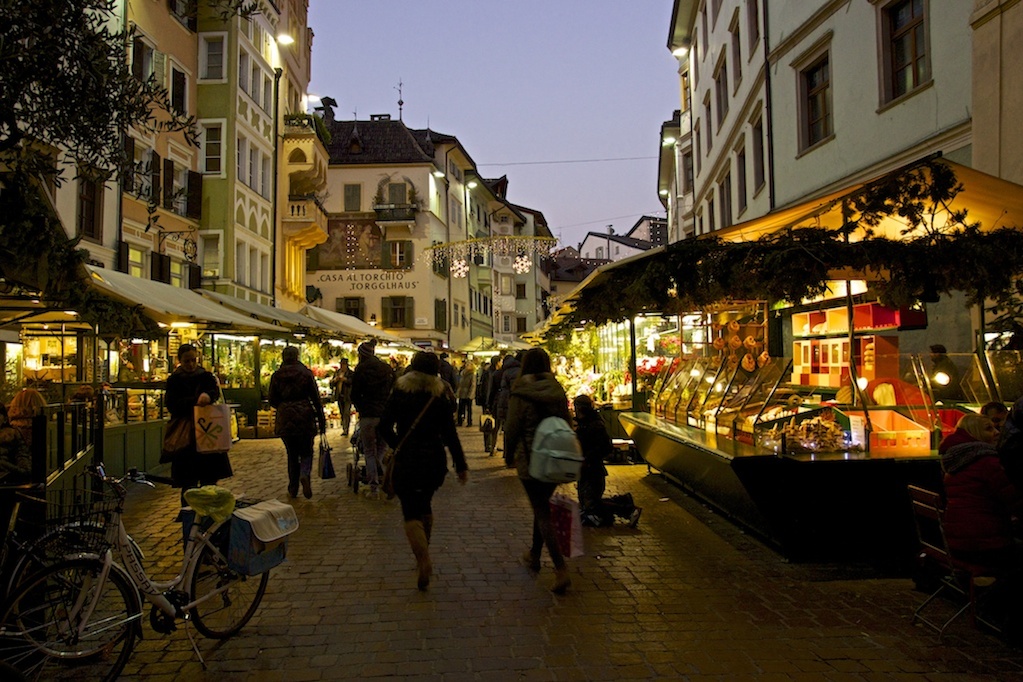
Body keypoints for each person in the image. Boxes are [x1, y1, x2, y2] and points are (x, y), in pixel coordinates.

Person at [378, 351, 468, 590]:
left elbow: (383, 426)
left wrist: (398, 444)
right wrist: (460, 464)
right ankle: (424, 551)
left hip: (408, 459)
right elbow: (450, 433)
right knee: (425, 503)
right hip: (434, 459)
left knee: (410, 512)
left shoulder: (400, 391)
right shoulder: (440, 395)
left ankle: (423, 559)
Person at [504, 347, 572, 594]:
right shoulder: (556, 389)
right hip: (555, 457)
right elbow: (568, 421)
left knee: (542, 511)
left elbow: (512, 428)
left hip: (531, 458)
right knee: (541, 505)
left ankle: (560, 568)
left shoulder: (521, 392)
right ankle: (534, 554)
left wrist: (508, 455)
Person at [942, 413, 1023, 576]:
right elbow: (1015, 502)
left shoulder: (956, 461)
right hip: (984, 545)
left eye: (995, 427)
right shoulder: (987, 462)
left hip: (959, 542)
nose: (997, 432)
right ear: (975, 433)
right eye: (988, 429)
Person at [164, 344, 232, 499]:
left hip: (208, 432)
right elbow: (172, 405)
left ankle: (209, 513)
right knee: (189, 483)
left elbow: (214, 393)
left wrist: (208, 396)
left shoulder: (205, 376)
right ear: (180, 360)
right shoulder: (174, 380)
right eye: (187, 361)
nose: (191, 365)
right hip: (186, 436)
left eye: (193, 360)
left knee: (210, 481)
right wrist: (195, 401)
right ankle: (189, 514)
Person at [573, 394, 642, 528]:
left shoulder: (594, 426)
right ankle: (622, 505)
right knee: (588, 503)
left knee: (591, 503)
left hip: (593, 469)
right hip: (587, 469)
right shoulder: (586, 424)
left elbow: (605, 447)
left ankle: (627, 508)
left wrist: (588, 459)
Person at [269, 346, 326, 499]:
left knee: (292, 454)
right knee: (307, 450)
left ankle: (293, 487)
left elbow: (272, 399)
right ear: (297, 356)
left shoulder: (277, 375)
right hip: (304, 415)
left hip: (285, 416)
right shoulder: (306, 374)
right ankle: (305, 473)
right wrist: (321, 421)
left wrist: (284, 406)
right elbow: (315, 398)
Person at [350, 340, 395, 497]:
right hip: (384, 415)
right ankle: (380, 470)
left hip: (367, 415)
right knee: (382, 447)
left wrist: (360, 408)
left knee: (369, 451)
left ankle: (373, 486)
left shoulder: (360, 370)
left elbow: (354, 394)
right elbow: (393, 390)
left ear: (361, 354)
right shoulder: (386, 369)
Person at [493, 351, 522, 463]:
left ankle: (505, 453)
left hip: (502, 404)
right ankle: (510, 455)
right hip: (511, 405)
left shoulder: (500, 373)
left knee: (505, 429)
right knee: (510, 430)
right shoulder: (517, 373)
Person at [329, 358, 354, 436]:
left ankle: (346, 429)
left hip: (347, 396)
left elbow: (352, 382)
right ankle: (344, 427)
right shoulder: (337, 373)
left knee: (346, 412)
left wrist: (345, 380)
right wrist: (335, 380)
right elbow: (331, 384)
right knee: (342, 412)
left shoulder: (350, 373)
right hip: (339, 396)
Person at [456, 359, 476, 426]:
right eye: (466, 364)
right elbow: (460, 384)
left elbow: (473, 385)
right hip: (462, 393)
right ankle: (459, 421)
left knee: (469, 409)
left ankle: (469, 422)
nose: (467, 366)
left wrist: (470, 395)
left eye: (469, 365)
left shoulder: (472, 375)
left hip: (468, 394)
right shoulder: (462, 373)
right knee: (460, 408)